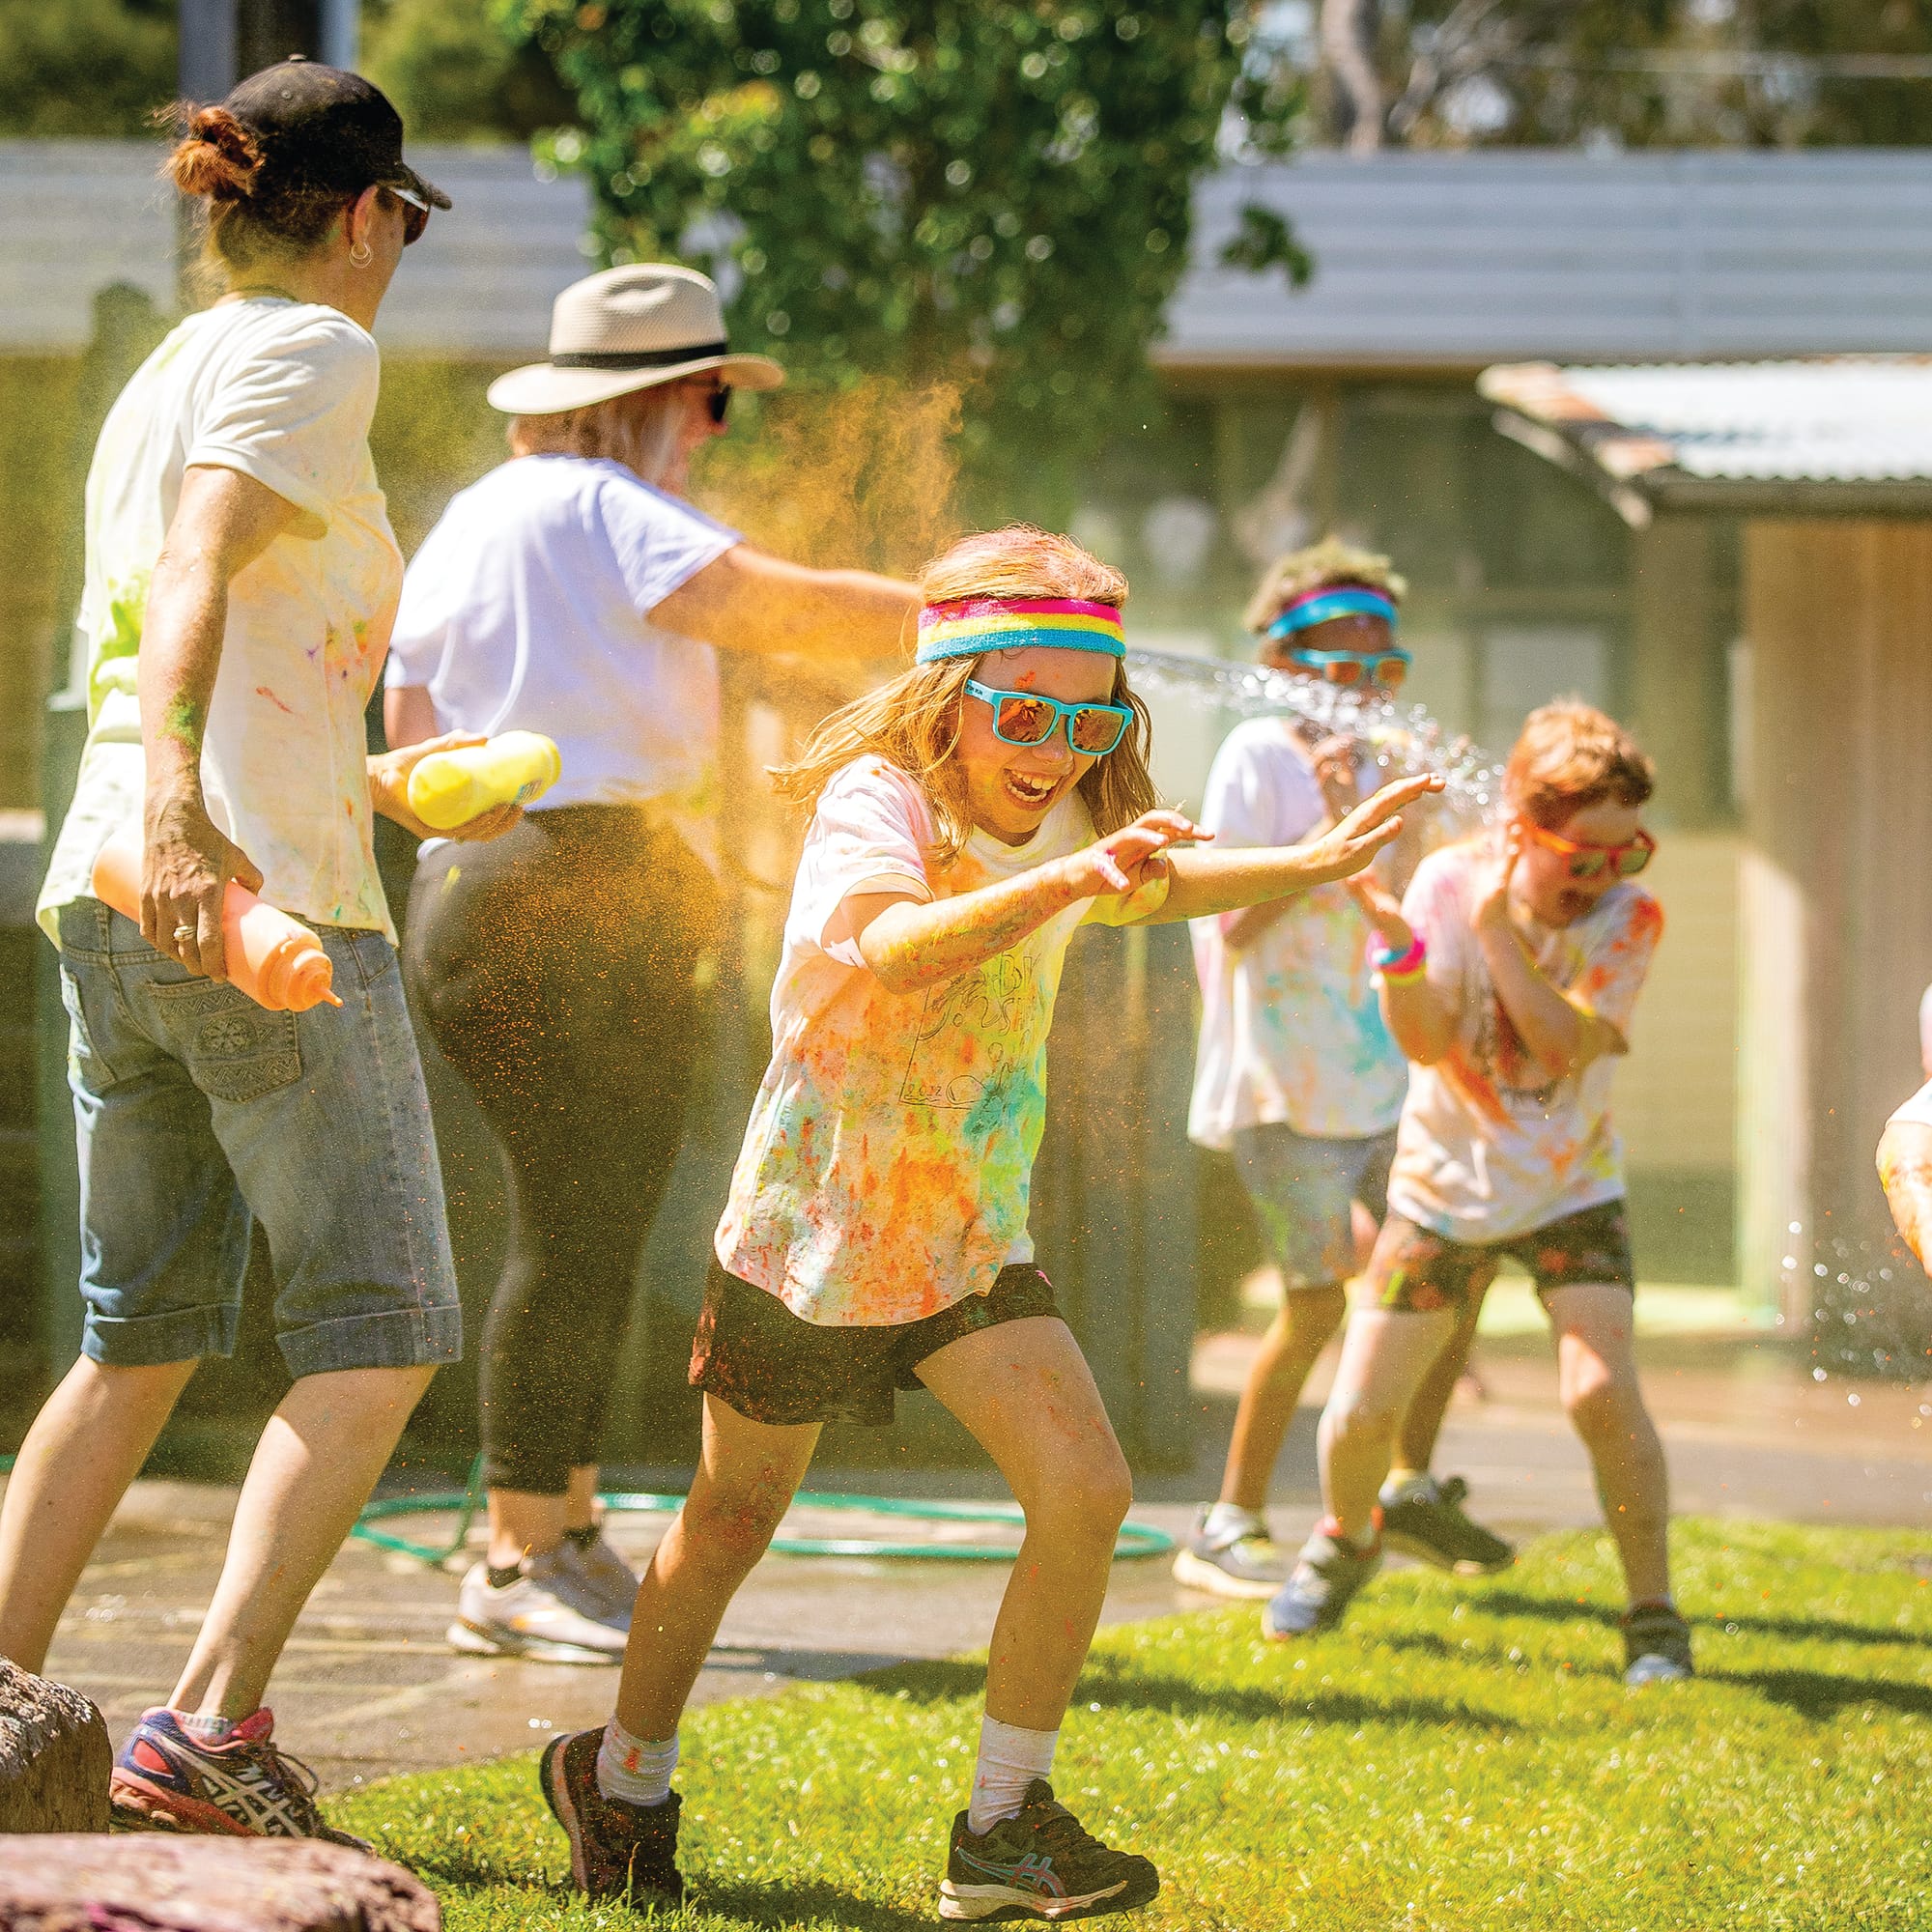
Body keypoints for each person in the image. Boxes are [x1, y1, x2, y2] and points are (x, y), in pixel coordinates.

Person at [529, 525, 1439, 1920]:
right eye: (1026, 713)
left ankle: (1001, 1828)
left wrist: (1308, 863)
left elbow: (1156, 886)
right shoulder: (874, 803)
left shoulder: (1070, 817)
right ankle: (624, 1779)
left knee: (1087, 1493)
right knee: (728, 1520)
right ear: (947, 697)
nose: (1059, 747)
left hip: (964, 1241)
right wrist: (1068, 881)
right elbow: (894, 947)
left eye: (1095, 718)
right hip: (814, 1239)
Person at [0, 64, 513, 1839]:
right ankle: (208, 1729)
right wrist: (197, 840)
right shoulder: (319, 350)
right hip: (245, 904)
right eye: (404, 225)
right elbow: (203, 572)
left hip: (122, 896)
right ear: (371, 215)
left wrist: (365, 778)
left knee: (131, 1336)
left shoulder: (164, 373)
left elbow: (165, 629)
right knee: (381, 1331)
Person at [384, 262, 920, 1663]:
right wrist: (978, 616)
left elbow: (409, 711)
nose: (714, 430)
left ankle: (555, 1528)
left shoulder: (470, 518)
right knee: (576, 1234)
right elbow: (776, 608)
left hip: (470, 883)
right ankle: (515, 1559)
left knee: (578, 1226)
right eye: (714, 403)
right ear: (663, 398)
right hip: (587, 884)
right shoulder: (605, 503)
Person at [1266, 701, 1693, 1690]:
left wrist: (1500, 930)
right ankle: (1342, 1538)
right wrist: (1399, 949)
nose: (1598, 876)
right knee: (1361, 1413)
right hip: (1441, 1186)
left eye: (1620, 853)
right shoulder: (1444, 880)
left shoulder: (1629, 918)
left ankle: (1652, 1614)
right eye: (1578, 852)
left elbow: (1556, 1044)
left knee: (1598, 1392)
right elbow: (1420, 1039)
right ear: (1517, 823)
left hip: (1568, 1187)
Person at [1175, 537, 1511, 1601]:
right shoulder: (1258, 756)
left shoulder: (1381, 758)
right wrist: (1328, 826)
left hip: (1386, 1074)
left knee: (1454, 1278)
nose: (1361, 683)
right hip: (1284, 1082)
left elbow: (1406, 912)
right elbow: (1228, 922)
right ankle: (1227, 1518)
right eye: (1336, 658)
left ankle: (1406, 1484)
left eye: (1382, 664)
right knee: (1315, 1307)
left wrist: (1404, 843)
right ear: (1281, 659)